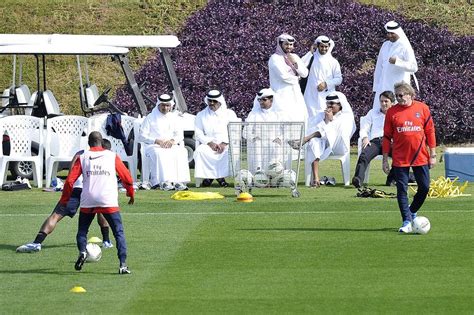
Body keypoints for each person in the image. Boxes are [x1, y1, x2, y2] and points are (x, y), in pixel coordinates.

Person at [16, 139, 114, 253]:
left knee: (55, 216)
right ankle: (106, 241)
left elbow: (71, 173)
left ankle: (36, 243)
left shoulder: (80, 154)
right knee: (101, 212)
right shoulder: (107, 157)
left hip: (75, 189)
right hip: (94, 190)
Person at [59, 131, 135, 274]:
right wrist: (130, 193)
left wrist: (65, 199)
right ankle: (123, 265)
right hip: (108, 200)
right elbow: (127, 177)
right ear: (101, 142)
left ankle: (82, 252)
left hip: (88, 199)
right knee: (118, 232)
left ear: (89, 142)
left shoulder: (83, 157)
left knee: (82, 231)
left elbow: (70, 180)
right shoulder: (112, 156)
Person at [382, 82, 436, 233]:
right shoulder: (392, 112)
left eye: (401, 95)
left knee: (424, 187)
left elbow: (430, 132)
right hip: (400, 158)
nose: (399, 98)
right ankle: (406, 221)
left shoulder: (422, 108)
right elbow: (386, 137)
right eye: (397, 96)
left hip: (421, 157)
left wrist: (433, 154)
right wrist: (385, 159)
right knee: (401, 190)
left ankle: (411, 211)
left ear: (410, 95)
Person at [290, 92, 355, 187]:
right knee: (313, 142)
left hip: (339, 146)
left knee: (313, 137)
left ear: (340, 104)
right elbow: (310, 128)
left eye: (332, 103)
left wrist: (329, 121)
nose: (329, 106)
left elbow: (337, 133)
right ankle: (316, 178)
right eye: (328, 103)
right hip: (323, 144)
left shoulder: (346, 117)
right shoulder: (321, 115)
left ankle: (304, 140)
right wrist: (326, 121)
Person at [139, 93, 190, 191]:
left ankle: (178, 182)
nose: (165, 108)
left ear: (171, 105)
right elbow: (142, 136)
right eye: (163, 105)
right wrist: (156, 141)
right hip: (153, 146)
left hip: (171, 145)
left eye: (167, 105)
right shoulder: (150, 117)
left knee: (181, 151)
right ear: (158, 104)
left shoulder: (174, 117)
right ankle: (161, 182)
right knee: (160, 153)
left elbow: (179, 135)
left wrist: (172, 141)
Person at [194, 90, 239, 187]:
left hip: (227, 143)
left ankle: (210, 179)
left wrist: (225, 143)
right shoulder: (201, 115)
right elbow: (198, 133)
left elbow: (236, 130)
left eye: (214, 101)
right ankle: (219, 179)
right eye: (210, 101)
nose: (211, 103)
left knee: (228, 153)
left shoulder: (229, 114)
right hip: (208, 144)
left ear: (220, 101)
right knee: (200, 152)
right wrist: (210, 143)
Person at [352, 91, 395, 188]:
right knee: (364, 155)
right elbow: (364, 127)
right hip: (376, 141)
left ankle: (391, 179)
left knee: (400, 155)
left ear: (392, 102)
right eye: (381, 101)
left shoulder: (396, 114)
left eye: (386, 101)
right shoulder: (372, 112)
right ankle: (358, 179)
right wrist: (365, 137)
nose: (383, 104)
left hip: (391, 142)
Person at [372, 21, 418, 110]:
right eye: (388, 33)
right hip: (383, 85)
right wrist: (376, 86)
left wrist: (398, 61)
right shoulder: (385, 45)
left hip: (398, 86)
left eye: (392, 33)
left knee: (397, 111)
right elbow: (379, 67)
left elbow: (414, 67)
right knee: (379, 112)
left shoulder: (405, 46)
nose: (389, 35)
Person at [268, 33, 309, 125]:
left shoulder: (295, 57)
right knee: (283, 117)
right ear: (280, 44)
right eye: (286, 44)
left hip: (295, 93)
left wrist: (294, 62)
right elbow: (284, 76)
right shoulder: (274, 58)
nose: (289, 47)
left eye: (291, 44)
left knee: (299, 116)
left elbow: (305, 74)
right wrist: (297, 78)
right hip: (282, 93)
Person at [302, 35, 342, 118]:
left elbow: (339, 79)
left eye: (326, 47)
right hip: (311, 95)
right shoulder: (311, 58)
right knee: (310, 118)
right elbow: (300, 65)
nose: (324, 49)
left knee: (325, 119)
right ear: (318, 46)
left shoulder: (333, 61)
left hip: (326, 95)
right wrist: (310, 52)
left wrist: (326, 84)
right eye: (322, 46)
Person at [244, 88, 283, 174]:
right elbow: (245, 132)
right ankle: (258, 174)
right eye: (259, 100)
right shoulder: (253, 114)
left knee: (276, 147)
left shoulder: (278, 114)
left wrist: (280, 138)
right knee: (257, 145)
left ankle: (274, 175)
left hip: (273, 144)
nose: (261, 102)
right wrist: (253, 137)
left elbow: (286, 131)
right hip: (258, 144)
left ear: (271, 100)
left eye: (264, 100)